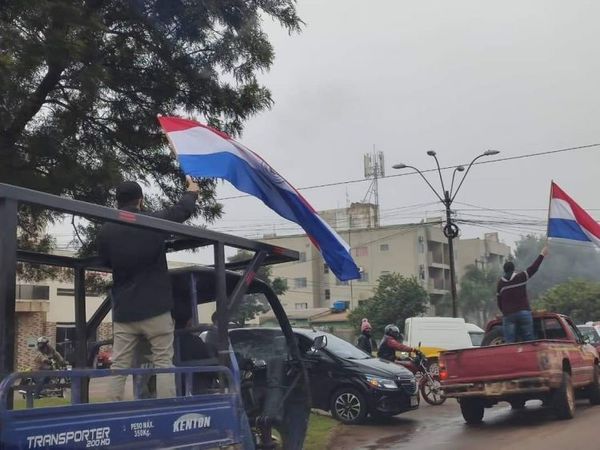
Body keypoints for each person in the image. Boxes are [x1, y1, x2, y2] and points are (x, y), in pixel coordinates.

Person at [98, 176, 199, 401]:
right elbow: (181, 211)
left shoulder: (106, 230)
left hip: (124, 311)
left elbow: (105, 261)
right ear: (141, 200)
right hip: (156, 308)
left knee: (120, 365)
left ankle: (112, 411)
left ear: (117, 202)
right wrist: (192, 191)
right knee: (163, 361)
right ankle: (166, 411)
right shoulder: (152, 222)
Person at [497, 246, 548, 343]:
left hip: (508, 315)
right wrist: (542, 254)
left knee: (509, 342)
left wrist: (505, 312)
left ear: (504, 270)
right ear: (513, 269)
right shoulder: (521, 277)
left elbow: (499, 302)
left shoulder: (500, 283)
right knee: (529, 341)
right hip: (524, 313)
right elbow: (534, 268)